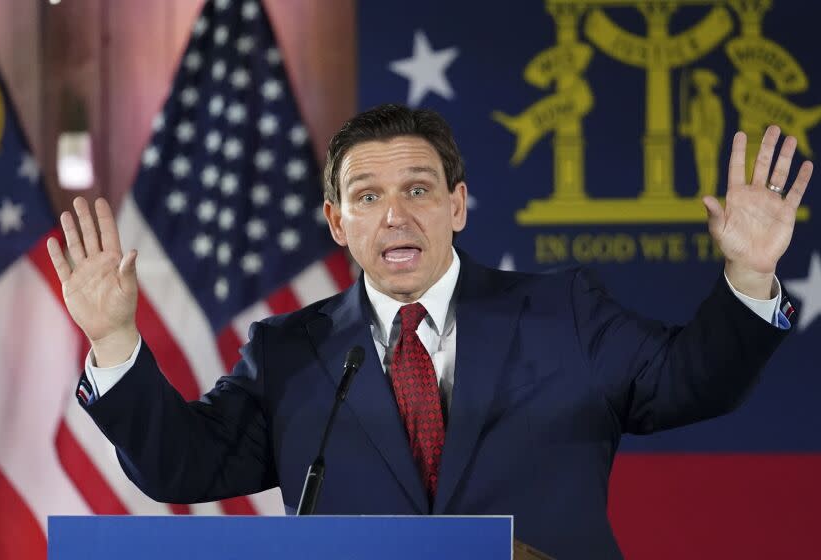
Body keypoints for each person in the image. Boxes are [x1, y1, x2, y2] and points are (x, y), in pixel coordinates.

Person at [47, 104, 812, 558]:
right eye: (367, 195)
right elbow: (186, 469)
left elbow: (692, 382)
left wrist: (747, 276)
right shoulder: (290, 352)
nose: (394, 215)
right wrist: (115, 340)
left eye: (418, 189)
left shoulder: (562, 311)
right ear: (336, 224)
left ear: (458, 206)